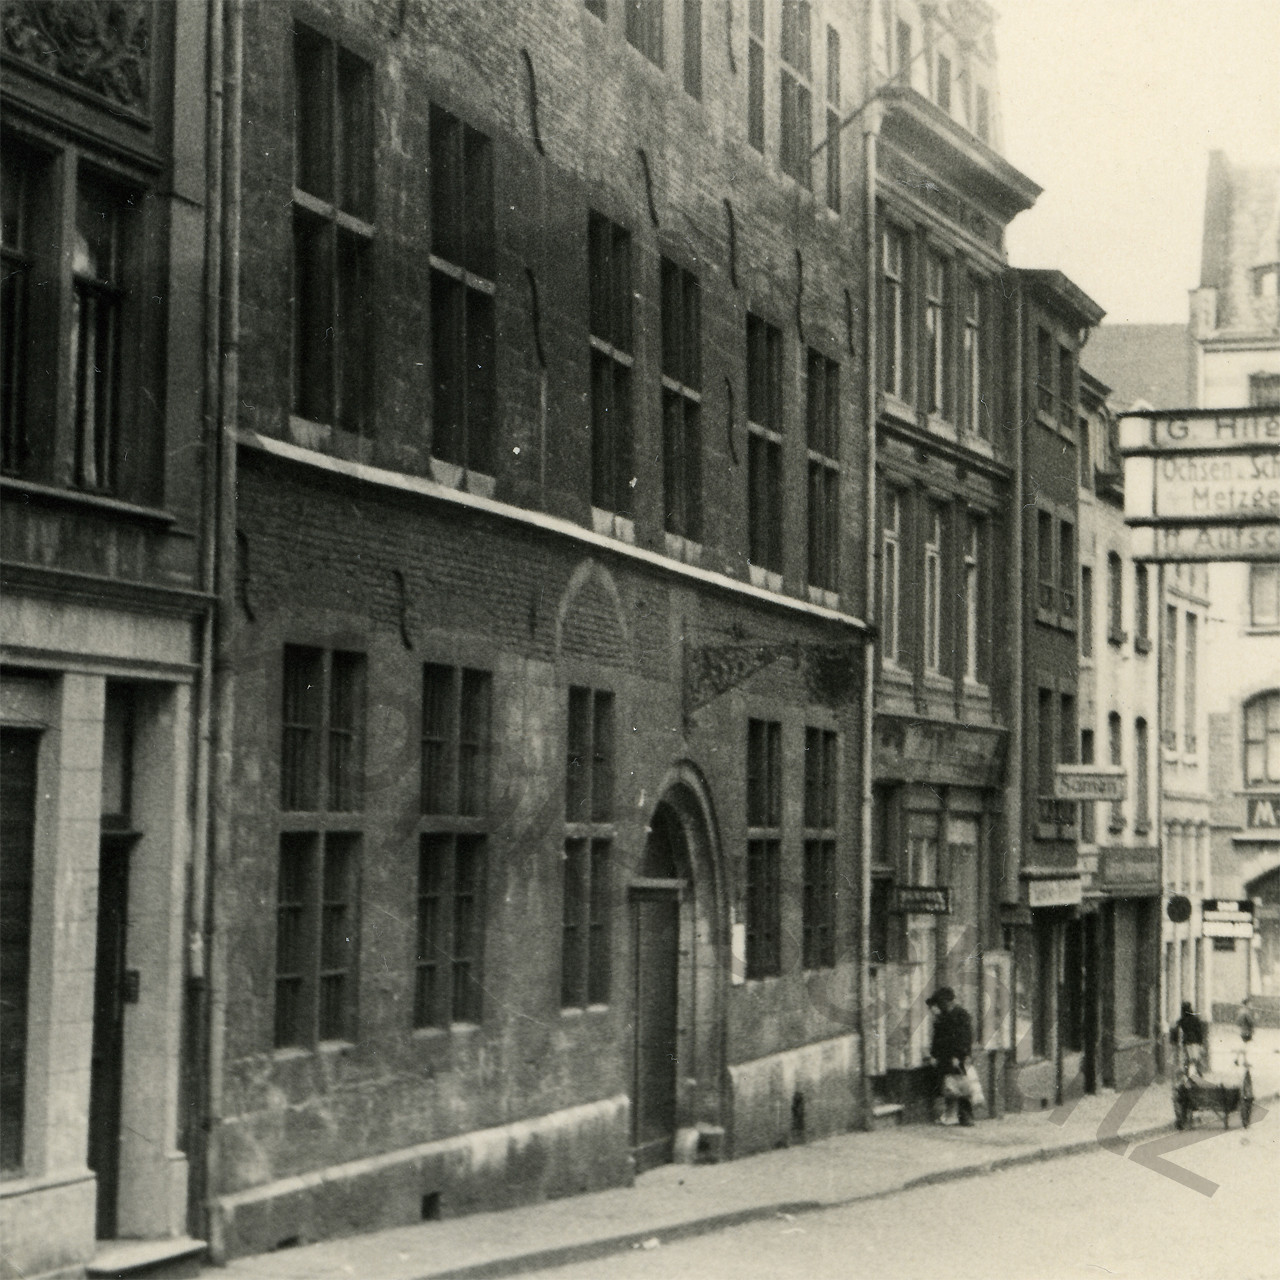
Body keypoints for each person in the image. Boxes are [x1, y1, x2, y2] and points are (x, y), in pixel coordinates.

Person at [927, 986, 975, 1126]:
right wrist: (934, 1055)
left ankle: (966, 1116)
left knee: (961, 1086)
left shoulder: (961, 1015)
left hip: (956, 1057)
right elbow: (937, 1038)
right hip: (945, 1057)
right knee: (950, 1087)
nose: (940, 1006)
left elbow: (965, 1037)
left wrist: (959, 1056)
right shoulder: (943, 1016)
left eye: (941, 1003)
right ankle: (950, 1115)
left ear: (948, 1002)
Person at [1170, 1001, 1207, 1073]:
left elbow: (1175, 1029)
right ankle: (1198, 1071)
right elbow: (1199, 1032)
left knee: (1187, 1059)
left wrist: (1174, 1041)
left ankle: (1186, 1072)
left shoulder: (1182, 1020)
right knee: (1195, 1058)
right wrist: (1201, 1042)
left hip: (1186, 1041)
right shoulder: (1196, 1019)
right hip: (1195, 1041)